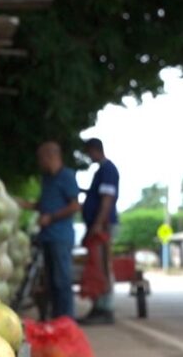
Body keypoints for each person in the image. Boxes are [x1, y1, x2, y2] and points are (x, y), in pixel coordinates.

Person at [34, 141, 81, 319]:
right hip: (47, 237)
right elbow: (44, 205)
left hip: (61, 236)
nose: (39, 162)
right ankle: (55, 319)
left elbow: (75, 205)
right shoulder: (47, 178)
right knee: (51, 282)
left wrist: (51, 218)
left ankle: (66, 320)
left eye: (41, 158)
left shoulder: (67, 176)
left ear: (50, 156)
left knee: (62, 280)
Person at [80, 137, 119, 325]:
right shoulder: (101, 171)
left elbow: (107, 199)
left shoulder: (108, 170)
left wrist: (98, 223)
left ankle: (106, 309)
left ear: (95, 150)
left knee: (103, 267)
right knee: (97, 267)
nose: (88, 157)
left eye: (88, 153)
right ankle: (99, 307)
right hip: (98, 225)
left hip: (102, 227)